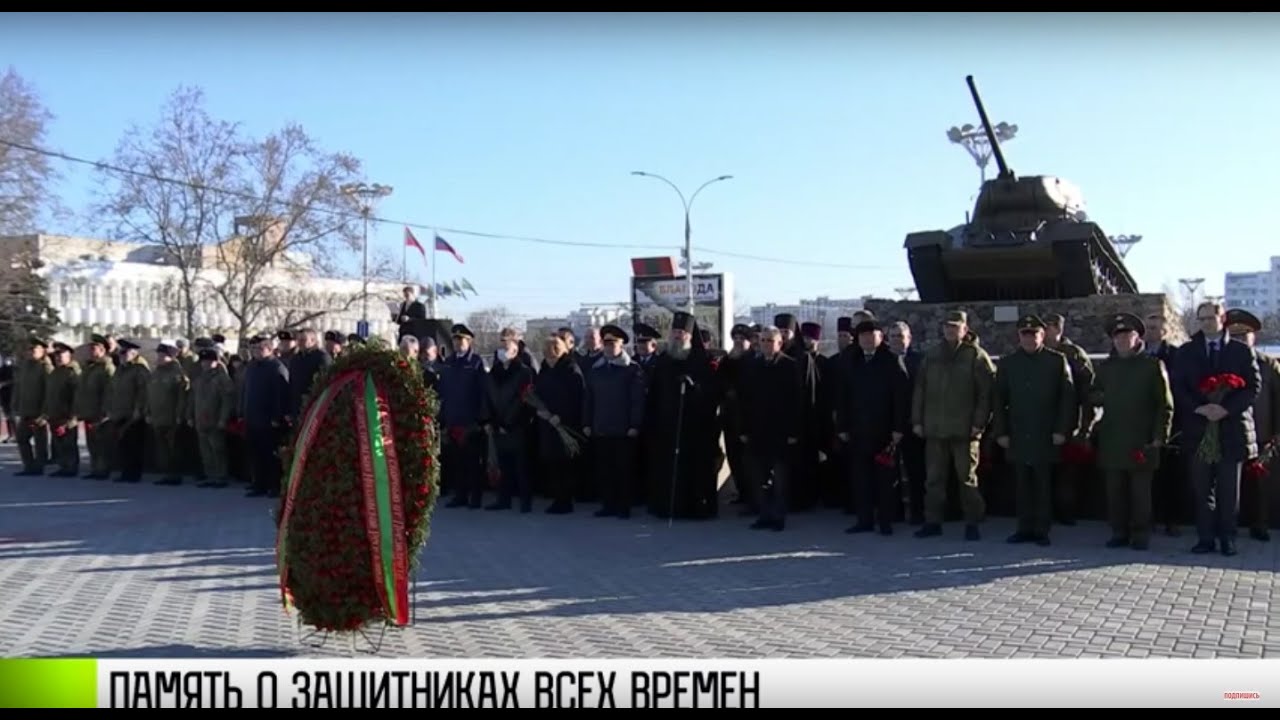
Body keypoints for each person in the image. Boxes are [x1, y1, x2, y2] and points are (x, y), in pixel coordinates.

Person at [1171, 301, 1260, 557]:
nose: (1206, 323)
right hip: (1199, 430)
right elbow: (1179, 387)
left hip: (1231, 429)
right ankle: (1205, 538)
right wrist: (1200, 408)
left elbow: (1252, 387)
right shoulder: (1187, 352)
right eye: (1201, 319)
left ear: (1222, 319)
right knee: (1202, 489)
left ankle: (1227, 538)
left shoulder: (1241, 351)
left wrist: (1225, 409)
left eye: (1210, 318)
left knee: (1228, 490)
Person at [1090, 313, 1174, 551]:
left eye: (1127, 335)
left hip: (1142, 439)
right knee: (1115, 492)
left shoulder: (1151, 365)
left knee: (1140, 494)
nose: (1122, 340)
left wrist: (1160, 436)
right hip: (1113, 439)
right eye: (1118, 337)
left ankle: (1140, 534)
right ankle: (1119, 531)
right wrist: (1101, 398)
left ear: (1137, 338)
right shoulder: (1107, 367)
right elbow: (1093, 393)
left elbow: (1165, 405)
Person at [911, 311, 996, 540]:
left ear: (964, 329)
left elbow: (986, 394)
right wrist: (917, 420)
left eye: (955, 327)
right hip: (935, 429)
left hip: (965, 430)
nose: (950, 330)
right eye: (947, 326)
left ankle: (973, 522)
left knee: (967, 479)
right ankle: (933, 521)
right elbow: (920, 390)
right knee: (934, 480)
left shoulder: (975, 356)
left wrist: (979, 424)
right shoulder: (933, 355)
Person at [991, 315, 1075, 546]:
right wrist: (1001, 432)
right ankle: (1024, 527)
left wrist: (1062, 430)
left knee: (1043, 484)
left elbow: (1067, 398)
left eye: (1034, 333)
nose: (1029, 338)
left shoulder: (1056, 361)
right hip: (1018, 432)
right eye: (1024, 334)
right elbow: (998, 400)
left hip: (1046, 432)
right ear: (1019, 336)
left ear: (1042, 335)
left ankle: (1042, 529)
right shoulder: (1008, 363)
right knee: (1022, 485)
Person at [835, 319, 911, 535]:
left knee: (885, 480)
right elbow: (842, 397)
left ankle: (885, 521)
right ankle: (864, 520)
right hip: (857, 431)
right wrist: (842, 426)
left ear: (880, 337)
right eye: (863, 335)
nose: (867, 339)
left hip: (884, 432)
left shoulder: (892, 360)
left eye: (872, 334)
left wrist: (898, 429)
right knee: (860, 479)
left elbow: (901, 398)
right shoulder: (851, 361)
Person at [645, 311, 721, 520]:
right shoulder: (663, 360)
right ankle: (668, 506)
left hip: (695, 427)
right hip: (668, 426)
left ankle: (697, 507)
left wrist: (695, 387)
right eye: (675, 331)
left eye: (682, 332)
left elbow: (713, 392)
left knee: (695, 469)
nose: (678, 335)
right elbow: (654, 393)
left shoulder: (702, 360)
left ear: (689, 335)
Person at [1224, 308, 1278, 542]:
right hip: (1229, 432)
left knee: (1260, 484)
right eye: (1234, 337)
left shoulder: (1268, 365)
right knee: (1228, 484)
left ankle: (1260, 524)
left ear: (1253, 337)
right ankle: (1228, 526)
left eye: (1244, 336)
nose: (1240, 341)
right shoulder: (1222, 362)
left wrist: (1276, 433)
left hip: (1261, 432)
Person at [739, 325, 801, 531]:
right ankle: (764, 514)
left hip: (781, 431)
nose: (765, 344)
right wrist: (744, 429)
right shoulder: (753, 366)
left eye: (770, 341)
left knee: (781, 478)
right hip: (757, 431)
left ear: (779, 343)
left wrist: (794, 431)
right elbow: (745, 401)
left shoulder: (790, 366)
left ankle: (779, 516)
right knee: (758, 476)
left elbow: (797, 402)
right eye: (763, 340)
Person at [582, 324, 646, 518]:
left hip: (623, 429)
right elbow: (588, 399)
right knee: (604, 470)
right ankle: (608, 504)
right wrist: (586, 422)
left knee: (623, 470)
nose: (609, 346)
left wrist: (635, 425)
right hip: (601, 427)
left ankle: (624, 506)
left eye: (613, 342)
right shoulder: (596, 369)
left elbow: (637, 400)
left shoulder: (632, 369)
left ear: (622, 345)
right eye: (606, 342)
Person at [440, 324, 492, 508]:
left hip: (471, 421)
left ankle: (475, 497)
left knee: (473, 463)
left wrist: (481, 419)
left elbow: (483, 392)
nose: (457, 343)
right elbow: (443, 392)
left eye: (461, 339)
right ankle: (460, 495)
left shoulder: (477, 362)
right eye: (455, 339)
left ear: (469, 341)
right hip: (453, 419)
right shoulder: (448, 362)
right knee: (457, 462)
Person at [486, 327, 537, 513]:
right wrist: (493, 422)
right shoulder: (494, 372)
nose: (502, 350)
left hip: (517, 426)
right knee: (503, 465)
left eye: (506, 346)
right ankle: (503, 499)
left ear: (515, 350)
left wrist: (512, 422)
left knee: (521, 466)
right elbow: (489, 398)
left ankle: (525, 501)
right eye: (501, 345)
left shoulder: (524, 372)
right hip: (499, 425)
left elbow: (526, 401)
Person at [534, 333, 587, 514]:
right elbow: (538, 391)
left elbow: (576, 398)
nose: (549, 359)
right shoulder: (545, 369)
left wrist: (561, 417)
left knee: (564, 463)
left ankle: (565, 500)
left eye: (552, 355)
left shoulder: (571, 369)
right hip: (547, 423)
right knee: (552, 462)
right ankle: (556, 497)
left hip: (565, 424)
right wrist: (539, 409)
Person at [240, 335, 291, 498]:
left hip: (269, 420)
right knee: (256, 454)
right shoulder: (252, 367)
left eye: (260, 349)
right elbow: (246, 391)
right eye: (254, 349)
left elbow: (280, 395)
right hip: (252, 417)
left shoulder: (276, 367)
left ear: (269, 349)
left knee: (271, 455)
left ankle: (274, 485)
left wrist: (277, 417)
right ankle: (259, 484)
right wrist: (242, 411)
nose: (256, 352)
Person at [191, 347, 236, 489]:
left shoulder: (222, 378)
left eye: (209, 361)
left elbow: (227, 400)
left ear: (216, 362)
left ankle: (221, 475)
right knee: (205, 450)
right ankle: (210, 475)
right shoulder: (200, 378)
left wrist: (223, 419)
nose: (205, 364)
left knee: (218, 448)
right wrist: (190, 415)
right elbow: (193, 398)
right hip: (200, 419)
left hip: (215, 419)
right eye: (203, 361)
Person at [106, 339, 150, 483]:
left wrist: (138, 410)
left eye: (124, 352)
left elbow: (143, 391)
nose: (121, 355)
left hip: (133, 414)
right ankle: (125, 472)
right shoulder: (120, 369)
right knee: (124, 445)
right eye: (120, 352)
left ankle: (133, 474)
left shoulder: (139, 369)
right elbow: (113, 391)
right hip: (119, 412)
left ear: (133, 353)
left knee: (133, 445)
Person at [148, 342, 190, 486]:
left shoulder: (177, 373)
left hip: (171, 417)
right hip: (157, 416)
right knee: (162, 448)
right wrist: (148, 411)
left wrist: (179, 415)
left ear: (170, 357)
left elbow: (181, 397)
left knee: (173, 447)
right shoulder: (156, 372)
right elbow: (150, 394)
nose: (159, 358)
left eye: (162, 355)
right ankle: (166, 473)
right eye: (158, 355)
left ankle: (174, 474)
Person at [76, 335, 115, 479]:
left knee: (101, 444)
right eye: (89, 349)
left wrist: (104, 412)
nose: (90, 352)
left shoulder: (107, 368)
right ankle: (95, 469)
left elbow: (109, 391)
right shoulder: (89, 368)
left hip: (100, 412)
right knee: (92, 443)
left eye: (94, 349)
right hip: (89, 411)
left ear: (102, 350)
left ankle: (103, 469)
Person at [44, 342, 81, 477]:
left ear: (69, 355)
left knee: (69, 443)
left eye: (61, 355)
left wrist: (72, 415)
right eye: (56, 355)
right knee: (59, 443)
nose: (58, 358)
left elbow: (77, 395)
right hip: (54, 413)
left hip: (66, 414)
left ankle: (71, 468)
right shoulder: (55, 372)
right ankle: (63, 466)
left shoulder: (72, 372)